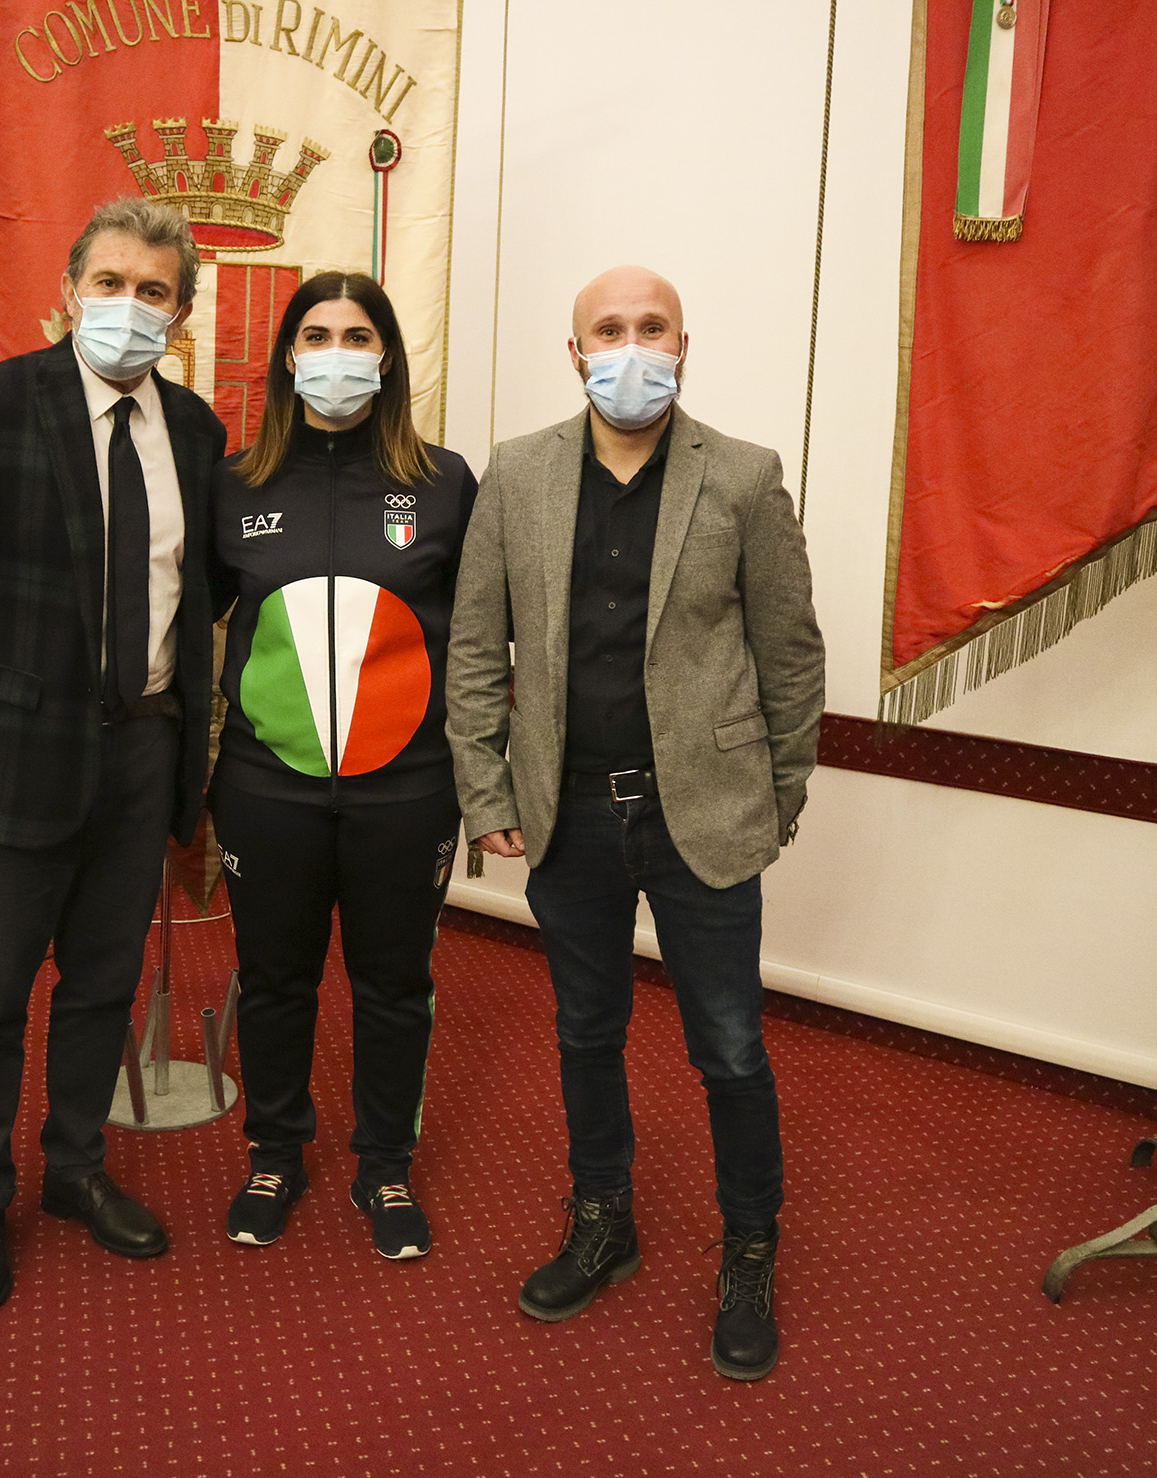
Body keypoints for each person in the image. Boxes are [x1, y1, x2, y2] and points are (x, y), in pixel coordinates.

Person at [445, 265, 824, 1378]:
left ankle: (748, 1246)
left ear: (682, 345)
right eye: (606, 330)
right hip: (568, 813)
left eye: (650, 327)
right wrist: (487, 793)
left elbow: (790, 652)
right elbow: (476, 648)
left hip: (703, 810)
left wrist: (777, 798)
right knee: (585, 1031)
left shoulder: (743, 476)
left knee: (729, 1046)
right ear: (574, 354)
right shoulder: (516, 474)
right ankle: (602, 1218)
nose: (629, 347)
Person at [0, 198, 227, 1313]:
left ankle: (76, 1166)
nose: (129, 305)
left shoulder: (196, 431)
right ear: (70, 289)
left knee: (101, 984)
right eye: (110, 282)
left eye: (153, 290)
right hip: (10, 760)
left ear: (180, 313)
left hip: (143, 751)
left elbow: (196, 595)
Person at [208, 271, 477, 1259]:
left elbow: (479, 640)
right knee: (273, 982)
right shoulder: (235, 484)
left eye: (357, 336)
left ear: (387, 356)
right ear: (288, 357)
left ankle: (384, 1164)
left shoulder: (445, 482)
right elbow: (184, 621)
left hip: (406, 789)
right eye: (316, 335)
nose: (336, 354)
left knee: (392, 985)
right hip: (264, 786)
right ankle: (274, 1153)